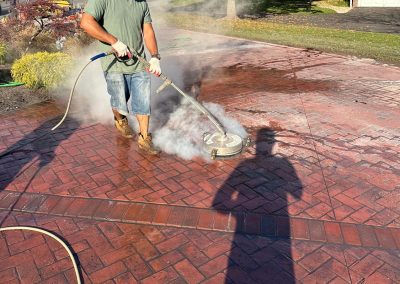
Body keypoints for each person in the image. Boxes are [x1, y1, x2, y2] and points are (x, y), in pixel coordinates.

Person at [80, 0, 161, 155]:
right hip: (114, 65)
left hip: (139, 64)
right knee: (119, 102)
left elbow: (148, 30)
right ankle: (120, 120)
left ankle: (144, 138)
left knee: (143, 102)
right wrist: (114, 42)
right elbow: (86, 22)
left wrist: (155, 56)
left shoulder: (141, 3)